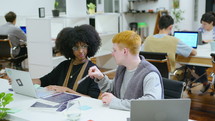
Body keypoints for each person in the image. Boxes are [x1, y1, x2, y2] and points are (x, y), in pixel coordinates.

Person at [88, 30, 164, 111]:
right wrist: (101, 77)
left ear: (125, 51)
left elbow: (150, 104)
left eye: (114, 50)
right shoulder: (122, 68)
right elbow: (113, 89)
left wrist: (116, 102)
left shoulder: (150, 74)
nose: (112, 54)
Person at [32, 25, 101, 98]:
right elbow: (43, 81)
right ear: (70, 49)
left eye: (84, 46)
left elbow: (93, 99)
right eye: (76, 48)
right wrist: (26, 82)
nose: (81, 51)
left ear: (90, 47)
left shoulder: (93, 70)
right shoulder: (64, 65)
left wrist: (66, 90)